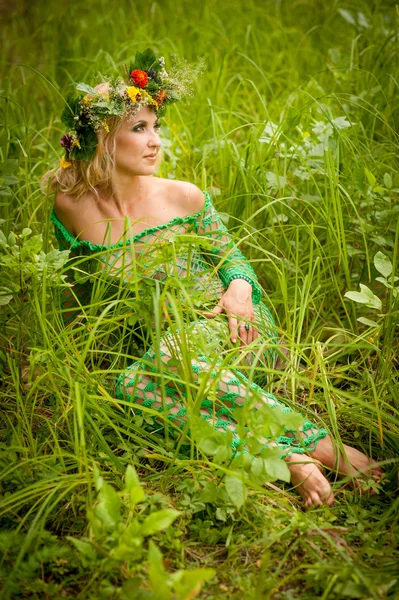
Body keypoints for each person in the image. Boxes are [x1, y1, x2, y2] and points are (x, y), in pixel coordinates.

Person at [44, 49, 382, 509]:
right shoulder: (71, 209)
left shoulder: (183, 197)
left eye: (155, 127)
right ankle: (289, 457)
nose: (154, 141)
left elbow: (234, 261)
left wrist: (240, 291)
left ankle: (324, 446)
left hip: (235, 329)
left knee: (165, 358)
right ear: (102, 140)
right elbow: (76, 293)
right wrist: (64, 358)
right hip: (167, 352)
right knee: (128, 386)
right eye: (138, 129)